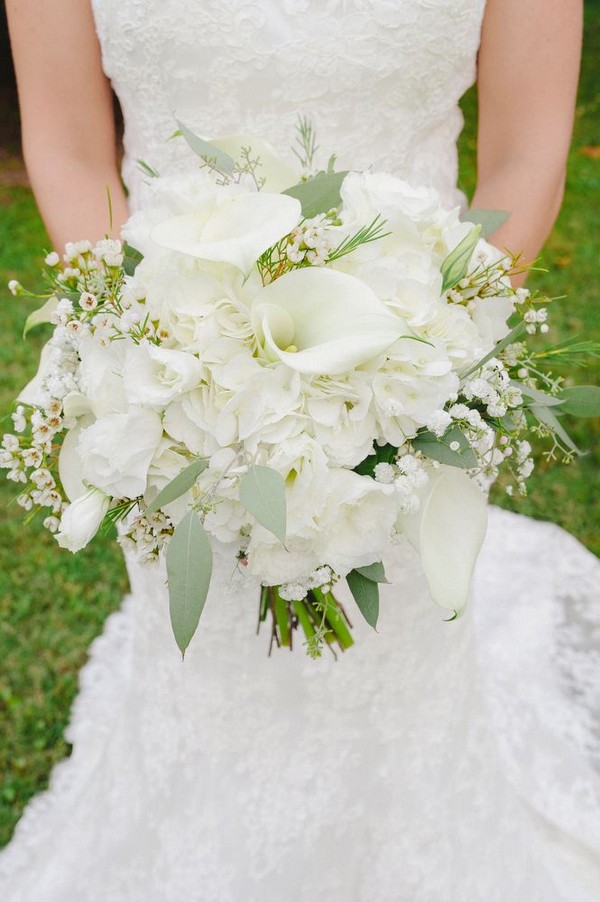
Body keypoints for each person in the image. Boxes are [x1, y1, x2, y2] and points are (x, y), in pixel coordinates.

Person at [1, 1, 599, 900]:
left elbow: (526, 153)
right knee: (207, 657)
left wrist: (419, 360)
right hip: (175, 375)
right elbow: (70, 144)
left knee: (399, 647)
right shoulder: (167, 372)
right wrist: (164, 357)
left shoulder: (414, 380)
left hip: (409, 379)